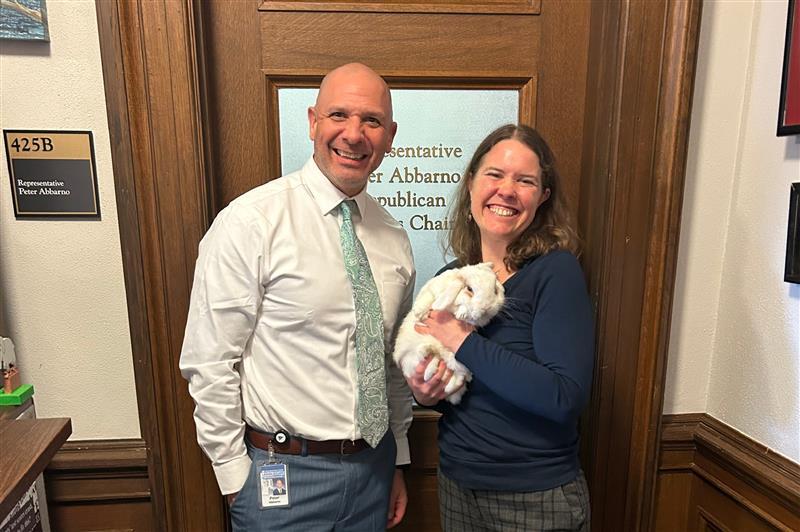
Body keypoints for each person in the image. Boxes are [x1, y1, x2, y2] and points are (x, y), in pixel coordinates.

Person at [179, 62, 415, 531]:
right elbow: (209, 361)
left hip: (374, 472)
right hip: (280, 478)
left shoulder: (393, 238)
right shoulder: (252, 222)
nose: (354, 134)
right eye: (338, 116)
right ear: (312, 122)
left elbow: (392, 362)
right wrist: (234, 479)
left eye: (371, 121)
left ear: (389, 136)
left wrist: (398, 461)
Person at [406, 124, 594, 531]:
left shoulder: (555, 272)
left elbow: (564, 396)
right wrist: (426, 393)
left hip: (534, 499)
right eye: (494, 174)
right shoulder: (450, 278)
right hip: (457, 484)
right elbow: (454, 390)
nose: (506, 190)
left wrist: (461, 340)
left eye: (524, 181)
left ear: (542, 197)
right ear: (472, 183)